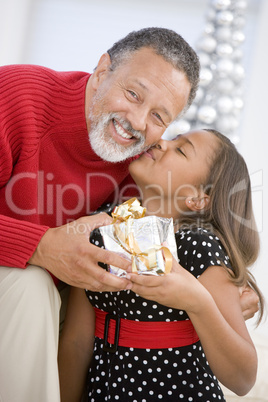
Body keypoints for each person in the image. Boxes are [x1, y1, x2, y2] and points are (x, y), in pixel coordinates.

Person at [0, 27, 200, 402]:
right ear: (102, 70)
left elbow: (181, 228)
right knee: (31, 285)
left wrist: (228, 287)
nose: (138, 122)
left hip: (51, 312)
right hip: (25, 294)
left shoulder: (139, 166)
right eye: (133, 94)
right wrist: (41, 247)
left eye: (158, 116)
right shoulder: (17, 95)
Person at [58, 129, 264, 402]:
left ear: (198, 198)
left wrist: (198, 302)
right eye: (173, 137)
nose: (161, 142)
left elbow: (243, 379)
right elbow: (75, 344)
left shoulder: (199, 248)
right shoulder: (101, 233)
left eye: (181, 149)